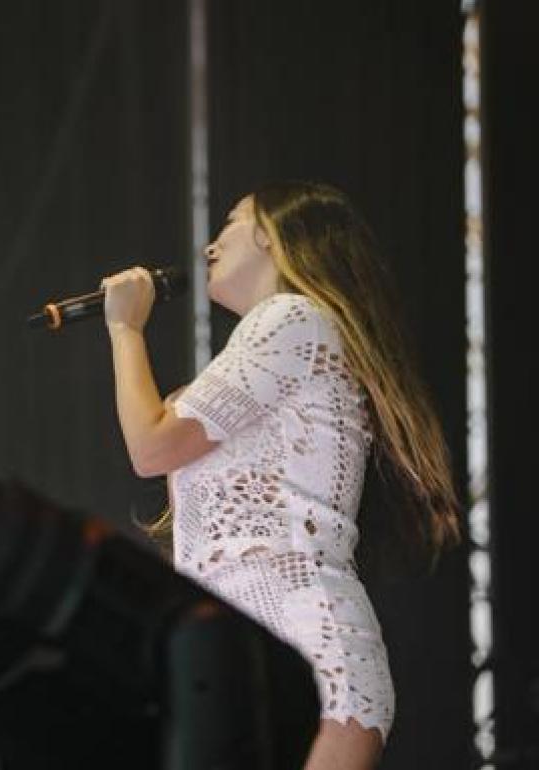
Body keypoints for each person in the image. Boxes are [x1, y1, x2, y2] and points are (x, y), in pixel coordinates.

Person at [100, 181, 459, 769]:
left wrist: (125, 330)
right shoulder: (285, 338)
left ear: (274, 236)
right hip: (237, 662)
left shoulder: (293, 319)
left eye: (233, 222)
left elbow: (152, 445)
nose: (212, 245)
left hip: (298, 645)